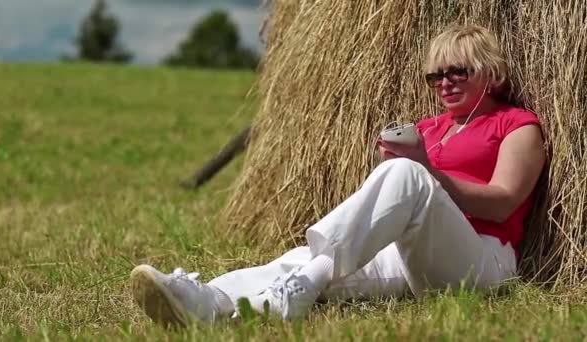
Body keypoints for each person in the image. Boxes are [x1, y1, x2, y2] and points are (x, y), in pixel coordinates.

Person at [129, 24, 546, 327]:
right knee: (310, 263)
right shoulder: (429, 127)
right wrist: (391, 168)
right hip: (414, 256)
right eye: (435, 75)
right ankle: (208, 300)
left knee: (402, 177)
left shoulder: (515, 125)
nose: (445, 82)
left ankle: (299, 285)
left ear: (490, 72)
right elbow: (396, 198)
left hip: (481, 260)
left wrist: (424, 171)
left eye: (458, 71)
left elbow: (504, 200)